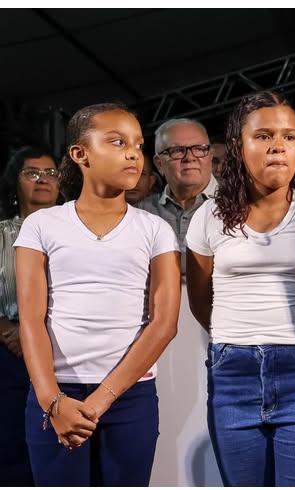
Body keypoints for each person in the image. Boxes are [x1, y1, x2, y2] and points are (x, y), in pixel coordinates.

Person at [186, 91, 295, 486]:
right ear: (238, 145)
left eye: (289, 136)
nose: (278, 146)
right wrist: (236, 334)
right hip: (232, 374)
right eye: (264, 136)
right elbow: (200, 301)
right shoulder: (208, 216)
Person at [14, 103, 180, 486]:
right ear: (80, 153)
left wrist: (101, 400)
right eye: (118, 142)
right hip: (55, 393)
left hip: (129, 396)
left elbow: (164, 324)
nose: (133, 154)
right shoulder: (42, 225)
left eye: (138, 145)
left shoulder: (155, 230)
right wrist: (52, 401)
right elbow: (31, 319)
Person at [0, 145, 60, 485]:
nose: (42, 179)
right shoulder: (1, 233)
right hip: (10, 353)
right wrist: (10, 331)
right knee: (12, 446)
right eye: (32, 173)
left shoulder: (77, 231)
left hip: (64, 352)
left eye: (50, 173)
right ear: (15, 182)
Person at [137, 118, 217, 258]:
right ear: (159, 163)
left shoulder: (241, 203)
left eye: (199, 149)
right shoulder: (142, 213)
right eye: (177, 151)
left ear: (210, 156)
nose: (189, 158)